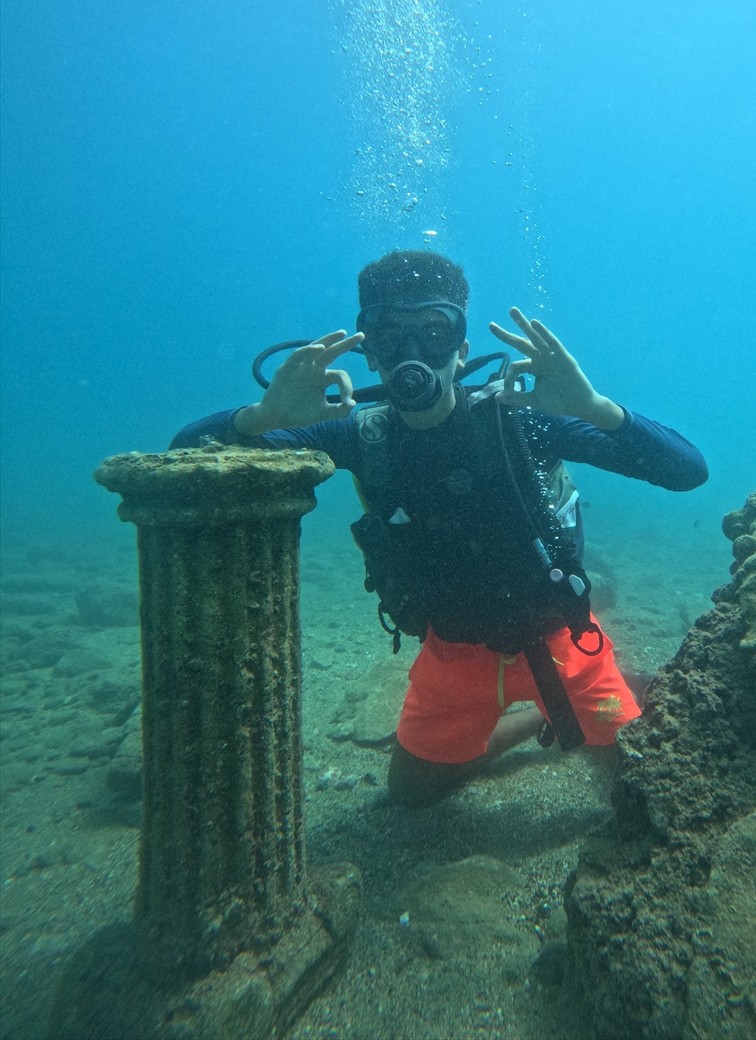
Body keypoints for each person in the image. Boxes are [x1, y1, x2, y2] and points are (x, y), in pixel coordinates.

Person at [171, 249, 708, 807]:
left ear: (462, 348)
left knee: (640, 778)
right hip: (452, 656)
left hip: (564, 642)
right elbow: (183, 456)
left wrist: (597, 408)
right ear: (369, 353)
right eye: (387, 334)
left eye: (433, 331)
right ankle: (536, 720)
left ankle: (569, 702)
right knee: (410, 794)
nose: (412, 355)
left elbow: (688, 472)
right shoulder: (358, 435)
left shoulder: (523, 419)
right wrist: (261, 420)